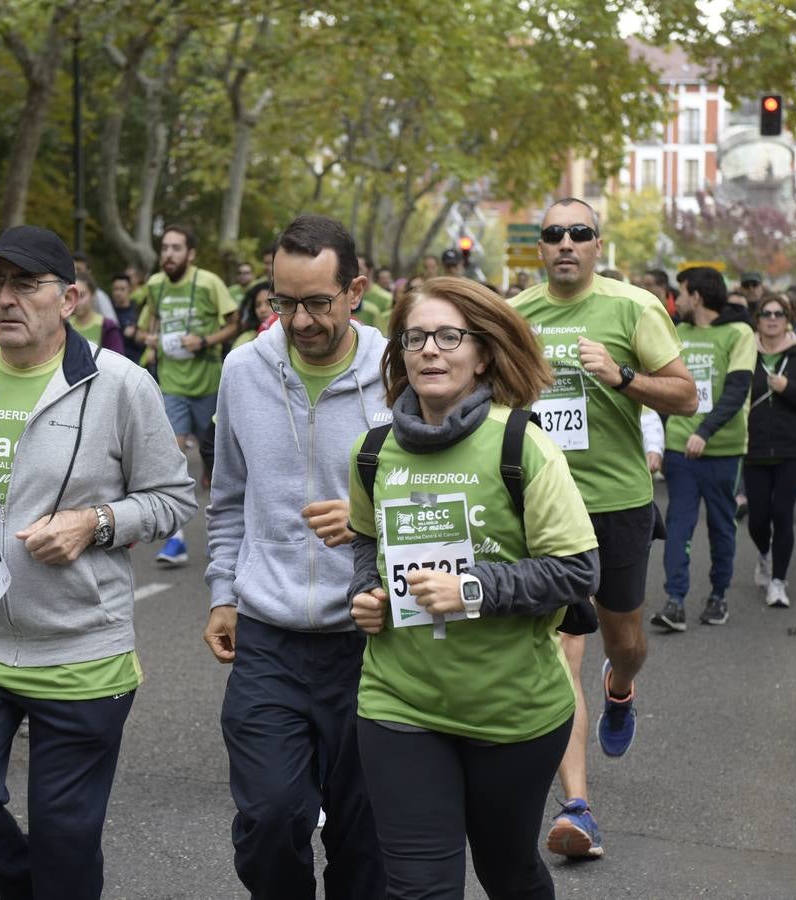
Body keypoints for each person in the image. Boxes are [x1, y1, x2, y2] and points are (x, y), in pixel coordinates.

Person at [0, 225, 195, 900]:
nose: (6, 298)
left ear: (67, 297)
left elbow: (174, 497)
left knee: (67, 838)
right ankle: (27, 884)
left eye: (25, 284)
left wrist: (94, 523)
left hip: (82, 654)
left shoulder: (121, 385)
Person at [347, 277, 599, 899]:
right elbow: (362, 540)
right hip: (399, 703)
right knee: (419, 888)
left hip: (511, 710)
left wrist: (473, 588)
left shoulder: (522, 445)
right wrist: (369, 592)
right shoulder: (373, 452)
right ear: (400, 354)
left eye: (448, 337)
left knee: (507, 871)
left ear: (481, 353)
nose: (430, 350)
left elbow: (578, 570)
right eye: (416, 338)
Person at [204, 214, 389, 900]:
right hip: (269, 638)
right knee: (269, 819)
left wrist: (371, 522)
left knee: (365, 841)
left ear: (356, 291)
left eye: (318, 302)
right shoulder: (244, 370)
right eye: (284, 302)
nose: (300, 320)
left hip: (375, 644)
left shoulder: (400, 374)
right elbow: (227, 497)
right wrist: (223, 591)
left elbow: (443, 508)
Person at [511, 197, 695, 859]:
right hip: (545, 503)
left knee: (625, 643)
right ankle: (578, 806)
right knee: (562, 653)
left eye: (578, 233)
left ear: (596, 243)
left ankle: (622, 688)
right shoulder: (519, 315)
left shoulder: (632, 308)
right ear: (541, 246)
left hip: (619, 499)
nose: (566, 243)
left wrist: (620, 376)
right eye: (554, 234)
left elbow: (684, 395)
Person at [650, 267, 755, 631]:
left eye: (680, 293)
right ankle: (675, 600)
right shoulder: (677, 333)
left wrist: (706, 432)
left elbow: (737, 391)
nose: (675, 300)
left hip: (723, 449)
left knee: (721, 526)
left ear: (696, 295)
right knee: (678, 524)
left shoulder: (739, 332)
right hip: (681, 448)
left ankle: (718, 596)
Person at [137, 223, 238, 567]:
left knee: (216, 466)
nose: (168, 254)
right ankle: (175, 540)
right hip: (171, 383)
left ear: (191, 254)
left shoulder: (209, 283)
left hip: (209, 383)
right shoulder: (154, 285)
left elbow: (235, 322)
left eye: (176, 248)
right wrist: (150, 339)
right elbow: (148, 323)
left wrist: (205, 341)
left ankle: (219, 536)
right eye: (164, 247)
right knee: (172, 459)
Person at [743, 294, 796, 609]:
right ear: (758, 319)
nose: (772, 319)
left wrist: (788, 388)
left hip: (792, 448)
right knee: (757, 520)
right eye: (766, 313)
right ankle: (764, 554)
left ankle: (778, 581)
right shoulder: (746, 353)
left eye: (779, 314)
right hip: (755, 447)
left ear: (787, 319)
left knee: (782, 515)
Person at [68, 275, 125, 354]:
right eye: (73, 296)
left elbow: (117, 360)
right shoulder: (65, 325)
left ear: (93, 295)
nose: (77, 302)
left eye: (82, 295)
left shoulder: (107, 326)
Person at [230, 280, 273, 350]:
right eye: (257, 305)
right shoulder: (246, 338)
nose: (262, 310)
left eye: (269, 304)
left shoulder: (292, 337)